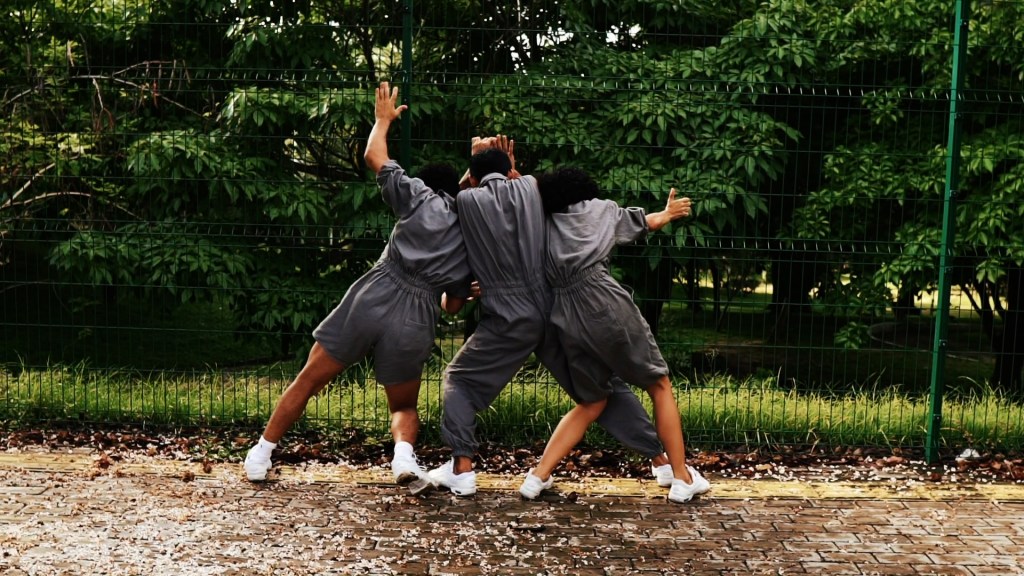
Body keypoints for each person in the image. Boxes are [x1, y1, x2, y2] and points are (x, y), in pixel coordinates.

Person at [243, 82, 472, 494]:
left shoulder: (418, 197)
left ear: (425, 184)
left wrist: (383, 120)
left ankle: (261, 455)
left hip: (374, 294)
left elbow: (373, 155)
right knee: (403, 403)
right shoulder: (470, 240)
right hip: (418, 315)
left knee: (308, 379)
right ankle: (403, 458)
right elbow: (452, 306)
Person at [428, 140, 675, 496]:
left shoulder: (466, 200)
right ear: (511, 171)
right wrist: (504, 166)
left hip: (508, 316)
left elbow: (449, 202)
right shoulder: (532, 189)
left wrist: (476, 163)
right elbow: (518, 187)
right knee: (597, 390)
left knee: (459, 380)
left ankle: (461, 467)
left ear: (476, 177)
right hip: (553, 309)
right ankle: (661, 461)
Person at [517, 166, 710, 503]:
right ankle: (682, 478)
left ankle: (537, 477)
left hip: (565, 314)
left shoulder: (541, 224)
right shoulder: (599, 210)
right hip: (604, 304)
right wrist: (667, 213)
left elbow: (522, 201)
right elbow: (644, 223)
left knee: (592, 401)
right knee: (659, 385)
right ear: (584, 190)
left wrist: (514, 174)